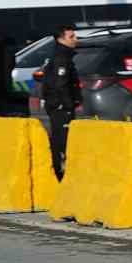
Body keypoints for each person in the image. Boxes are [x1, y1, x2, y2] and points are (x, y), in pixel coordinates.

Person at [39, 24, 82, 178]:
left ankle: (60, 172)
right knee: (62, 141)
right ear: (61, 39)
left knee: (62, 139)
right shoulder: (61, 58)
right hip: (60, 106)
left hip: (59, 105)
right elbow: (61, 83)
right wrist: (68, 104)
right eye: (71, 37)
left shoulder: (64, 55)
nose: (75, 39)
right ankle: (58, 175)